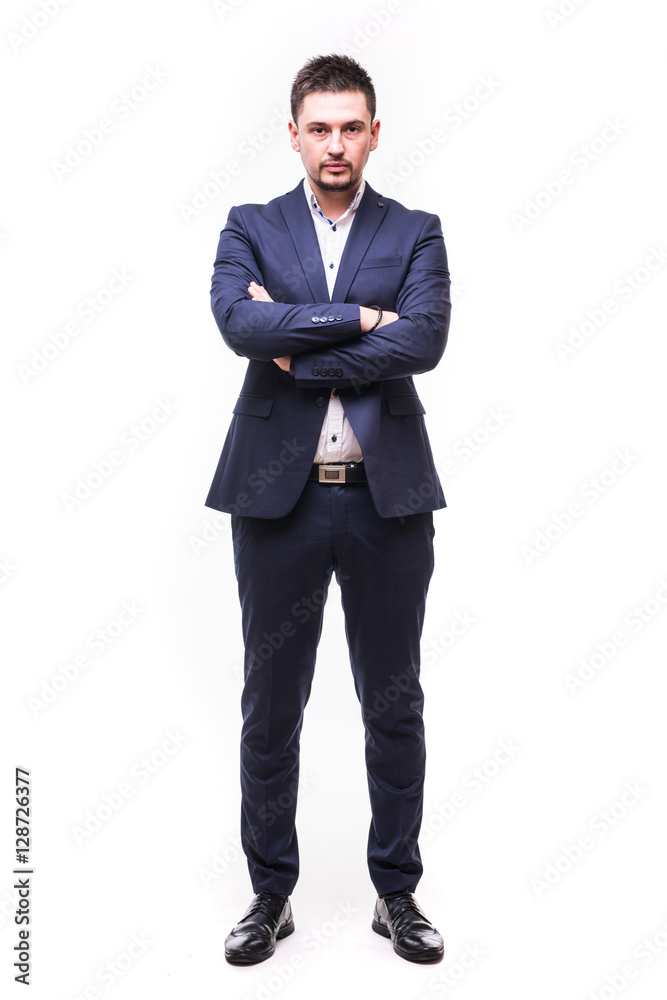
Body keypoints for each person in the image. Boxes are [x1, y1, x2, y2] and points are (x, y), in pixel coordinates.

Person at [205, 53, 451, 965]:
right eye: (319, 128)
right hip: (278, 503)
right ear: (294, 134)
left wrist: (296, 342)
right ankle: (270, 894)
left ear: (374, 133)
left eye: (351, 127)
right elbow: (238, 324)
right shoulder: (251, 225)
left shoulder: (416, 231)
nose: (335, 143)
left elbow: (424, 341)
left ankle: (397, 891)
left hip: (388, 502)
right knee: (271, 706)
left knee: (394, 702)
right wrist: (365, 320)